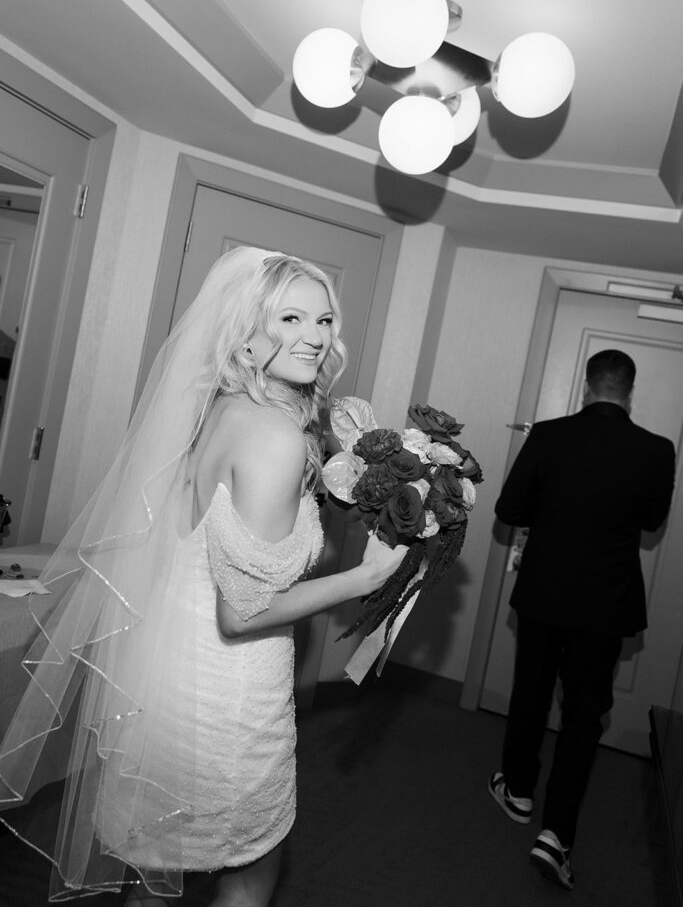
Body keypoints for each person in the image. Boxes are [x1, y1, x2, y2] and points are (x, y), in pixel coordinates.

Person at [0, 246, 408, 906]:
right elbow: (241, 612)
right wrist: (364, 579)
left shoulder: (221, 407)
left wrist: (347, 454)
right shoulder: (273, 435)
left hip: (170, 671)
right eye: (288, 319)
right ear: (245, 337)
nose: (313, 336)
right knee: (250, 874)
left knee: (160, 873)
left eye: (323, 320)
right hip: (225, 692)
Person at [488, 348, 676, 891]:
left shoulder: (548, 436)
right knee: (585, 713)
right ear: (628, 391)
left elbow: (508, 510)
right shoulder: (657, 450)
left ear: (587, 385)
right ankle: (557, 837)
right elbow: (651, 522)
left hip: (546, 590)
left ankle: (518, 791)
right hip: (605, 602)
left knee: (531, 689)